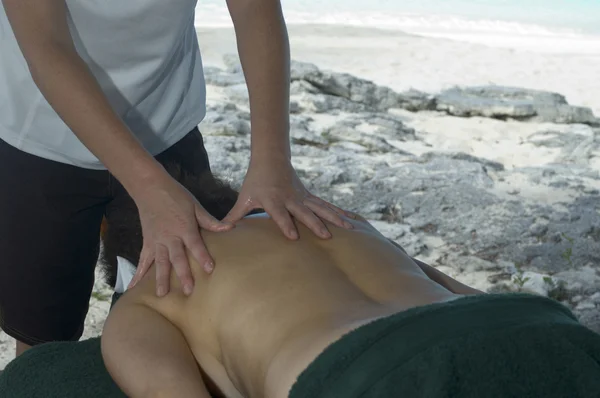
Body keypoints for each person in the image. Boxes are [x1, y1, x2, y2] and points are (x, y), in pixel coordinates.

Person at [0, 0, 353, 358]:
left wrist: (272, 160)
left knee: (183, 315)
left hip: (165, 124)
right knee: (42, 340)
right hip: (41, 138)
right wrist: (149, 187)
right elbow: (47, 44)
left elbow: (253, 9)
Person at [100, 165, 600, 398]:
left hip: (367, 374)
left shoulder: (146, 297)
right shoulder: (339, 221)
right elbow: (467, 301)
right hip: (533, 328)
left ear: (129, 260)